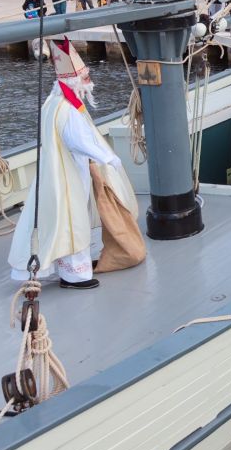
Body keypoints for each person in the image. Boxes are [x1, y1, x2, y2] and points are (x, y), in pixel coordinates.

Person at [8, 39, 146, 289]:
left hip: (54, 172)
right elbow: (79, 140)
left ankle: (64, 270)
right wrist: (108, 158)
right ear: (73, 81)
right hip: (69, 174)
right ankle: (76, 276)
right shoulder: (67, 109)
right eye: (85, 77)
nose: (88, 80)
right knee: (72, 224)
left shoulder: (52, 103)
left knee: (58, 221)